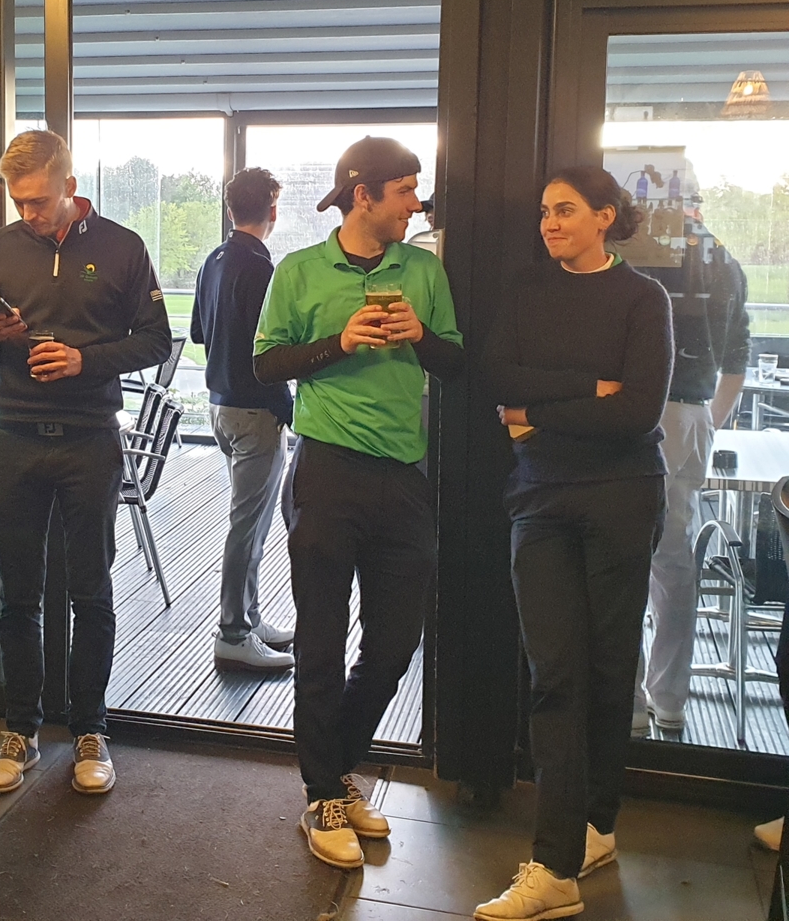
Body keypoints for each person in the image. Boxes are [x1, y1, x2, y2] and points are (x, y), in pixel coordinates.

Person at [253, 136, 465, 871]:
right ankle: (323, 794)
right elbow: (265, 363)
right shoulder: (299, 270)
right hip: (326, 472)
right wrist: (339, 342)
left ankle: (338, 765)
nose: (416, 203)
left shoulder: (424, 269)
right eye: (405, 190)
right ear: (363, 194)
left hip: (404, 476)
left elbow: (456, 361)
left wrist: (421, 337)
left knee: (394, 645)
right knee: (320, 640)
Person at [478, 167, 672, 921]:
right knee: (555, 674)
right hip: (540, 501)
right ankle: (556, 867)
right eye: (544, 212)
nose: (549, 223)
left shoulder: (643, 299)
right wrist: (589, 387)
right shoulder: (527, 292)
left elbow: (639, 412)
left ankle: (597, 826)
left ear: (605, 216)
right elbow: (498, 377)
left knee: (608, 667)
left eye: (564, 210)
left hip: (623, 497)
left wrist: (537, 411)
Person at [0, 130, 171, 798]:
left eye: (39, 201)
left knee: (91, 592)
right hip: (13, 433)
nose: (28, 214)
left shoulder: (122, 247)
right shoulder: (0, 246)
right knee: (15, 593)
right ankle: (19, 729)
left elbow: (156, 340)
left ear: (70, 186)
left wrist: (84, 359)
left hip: (89, 438)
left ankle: (90, 730)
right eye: (17, 201)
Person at [629, 194, 750, 735]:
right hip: (694, 413)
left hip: (644, 411)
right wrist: (709, 422)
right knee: (675, 560)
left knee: (627, 555)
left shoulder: (643, 254)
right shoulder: (724, 261)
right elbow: (738, 355)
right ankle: (670, 696)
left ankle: (630, 703)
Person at [190, 167, 295, 673]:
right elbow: (270, 353)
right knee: (247, 528)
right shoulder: (260, 268)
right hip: (256, 412)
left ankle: (249, 619)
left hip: (221, 407)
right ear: (272, 210)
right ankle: (233, 632)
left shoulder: (213, 260)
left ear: (230, 209)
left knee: (246, 523)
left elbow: (199, 334)